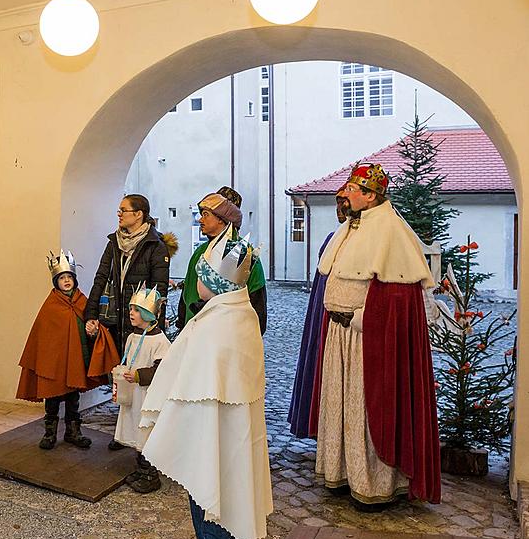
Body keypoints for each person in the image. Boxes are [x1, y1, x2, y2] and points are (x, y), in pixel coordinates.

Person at [140, 225, 272, 539]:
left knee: (211, 517)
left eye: (200, 275)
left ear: (213, 283)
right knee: (231, 515)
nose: (195, 280)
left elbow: (182, 383)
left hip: (209, 441)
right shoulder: (241, 315)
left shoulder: (212, 327)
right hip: (234, 440)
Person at [310, 163, 441, 510]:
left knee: (366, 411)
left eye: (352, 190)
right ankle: (343, 474)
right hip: (340, 336)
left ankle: (375, 485)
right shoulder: (353, 226)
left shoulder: (391, 231)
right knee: (343, 407)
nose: (344, 194)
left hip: (366, 340)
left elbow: (398, 299)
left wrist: (362, 320)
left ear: (370, 196)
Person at [84, 194, 175, 450]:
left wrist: (150, 321)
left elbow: (159, 290)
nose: (119, 214)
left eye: (124, 210)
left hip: (140, 322)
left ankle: (143, 434)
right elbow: (100, 277)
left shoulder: (155, 246)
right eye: (119, 210)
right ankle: (123, 431)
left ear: (139, 214)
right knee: (122, 374)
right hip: (116, 318)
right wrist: (91, 314)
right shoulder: (114, 242)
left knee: (141, 378)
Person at [17, 250, 120, 449]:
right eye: (62, 278)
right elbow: (43, 338)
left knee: (73, 400)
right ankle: (50, 433)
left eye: (69, 277)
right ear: (56, 281)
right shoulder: (51, 306)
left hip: (75, 361)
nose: (66, 281)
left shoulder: (83, 301)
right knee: (53, 400)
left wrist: (93, 330)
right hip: (54, 366)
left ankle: (73, 432)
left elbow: (90, 323)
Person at [287, 192, 346, 439]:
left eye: (343, 204)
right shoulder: (333, 240)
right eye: (338, 204)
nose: (339, 210)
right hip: (325, 312)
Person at [177, 187, 267, 335]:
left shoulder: (244, 255)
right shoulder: (200, 252)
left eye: (207, 214)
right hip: (192, 333)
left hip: (225, 337)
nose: (200, 219)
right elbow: (187, 292)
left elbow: (257, 301)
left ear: (223, 218)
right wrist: (182, 325)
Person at [112, 284, 171, 493]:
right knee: (135, 430)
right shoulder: (132, 336)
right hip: (133, 395)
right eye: (131, 309)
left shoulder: (160, 341)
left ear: (148, 313)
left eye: (136, 310)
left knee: (146, 432)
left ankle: (150, 474)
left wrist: (139, 375)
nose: (131, 313)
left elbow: (163, 370)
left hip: (147, 395)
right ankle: (140, 467)